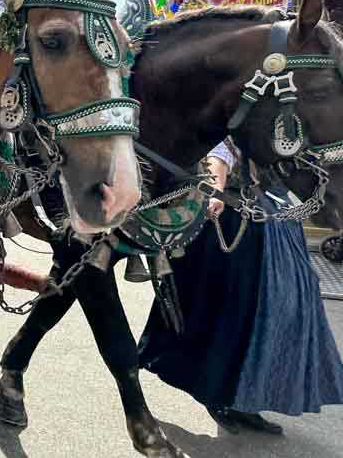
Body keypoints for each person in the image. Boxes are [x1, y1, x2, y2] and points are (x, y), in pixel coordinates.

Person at [139, 140, 343, 434]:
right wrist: (216, 190)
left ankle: (247, 398)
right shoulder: (235, 114)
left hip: (274, 221)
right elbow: (219, 155)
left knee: (285, 312)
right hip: (236, 223)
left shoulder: (282, 122)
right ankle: (221, 397)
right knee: (233, 316)